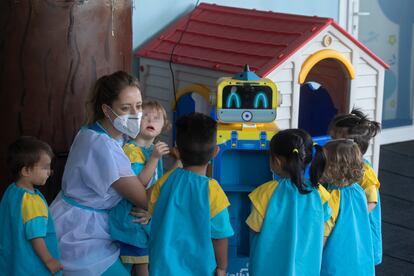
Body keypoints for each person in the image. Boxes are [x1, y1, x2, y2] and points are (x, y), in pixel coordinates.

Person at [50, 71, 147, 276]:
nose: (134, 114)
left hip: (78, 221)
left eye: (138, 106)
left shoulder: (96, 132)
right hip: (82, 234)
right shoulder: (103, 146)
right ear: (106, 109)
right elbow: (144, 198)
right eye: (125, 108)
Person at [148, 113, 234, 276]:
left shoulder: (166, 180)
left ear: (177, 152)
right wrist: (222, 267)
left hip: (161, 268)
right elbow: (220, 235)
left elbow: (150, 205)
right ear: (215, 152)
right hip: (200, 270)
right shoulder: (212, 190)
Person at [246, 129, 331, 275]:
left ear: (276, 161)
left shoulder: (264, 193)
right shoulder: (320, 193)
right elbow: (325, 229)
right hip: (306, 268)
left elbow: (254, 228)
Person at [109, 100, 172, 276]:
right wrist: (154, 159)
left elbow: (156, 186)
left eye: (156, 118)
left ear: (163, 127)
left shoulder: (152, 150)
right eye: (145, 116)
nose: (150, 120)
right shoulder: (131, 149)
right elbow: (139, 184)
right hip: (131, 219)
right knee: (142, 268)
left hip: (145, 216)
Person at [0, 136, 62, 275]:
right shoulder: (32, 201)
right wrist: (49, 260)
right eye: (45, 167)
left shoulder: (12, 191)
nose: (50, 172)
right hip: (32, 266)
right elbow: (35, 237)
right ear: (26, 171)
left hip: (13, 262)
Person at [328, 108, 382, 264]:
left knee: (359, 256)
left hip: (358, 224)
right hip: (342, 223)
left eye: (335, 141)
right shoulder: (337, 165)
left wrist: (352, 218)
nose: (330, 143)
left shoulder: (364, 170)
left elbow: (371, 201)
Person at [320, 139, 375, 275]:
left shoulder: (333, 197)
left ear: (332, 169)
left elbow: (324, 233)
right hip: (358, 258)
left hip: (336, 263)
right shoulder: (358, 190)